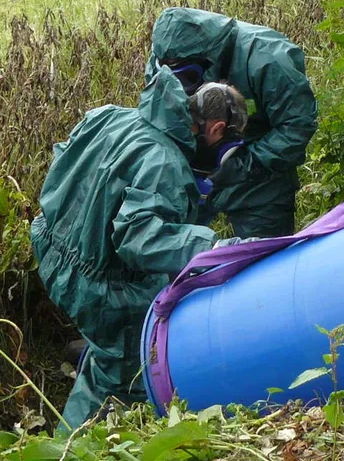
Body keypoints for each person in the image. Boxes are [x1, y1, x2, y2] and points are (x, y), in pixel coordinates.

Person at [31, 67, 249, 431]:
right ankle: (63, 457)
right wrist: (215, 247)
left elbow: (64, 160)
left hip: (50, 245)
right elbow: (138, 237)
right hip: (93, 284)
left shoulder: (110, 116)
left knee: (116, 335)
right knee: (122, 377)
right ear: (216, 130)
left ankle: (96, 349)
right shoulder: (165, 163)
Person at [146, 7, 318, 238]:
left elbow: (297, 125)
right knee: (169, 247)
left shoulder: (267, 59)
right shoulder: (166, 57)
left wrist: (244, 165)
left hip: (260, 171)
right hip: (193, 168)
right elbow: (157, 114)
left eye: (189, 77)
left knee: (261, 262)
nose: (182, 85)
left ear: (208, 58)